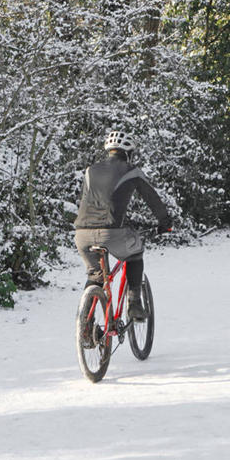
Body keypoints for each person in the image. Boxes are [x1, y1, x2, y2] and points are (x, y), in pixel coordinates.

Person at [74, 130, 172, 321]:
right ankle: (135, 304)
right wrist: (165, 222)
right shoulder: (131, 170)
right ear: (128, 153)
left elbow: (88, 201)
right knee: (135, 254)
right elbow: (152, 199)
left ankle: (85, 322)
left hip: (82, 235)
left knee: (96, 276)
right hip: (112, 233)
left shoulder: (89, 171)